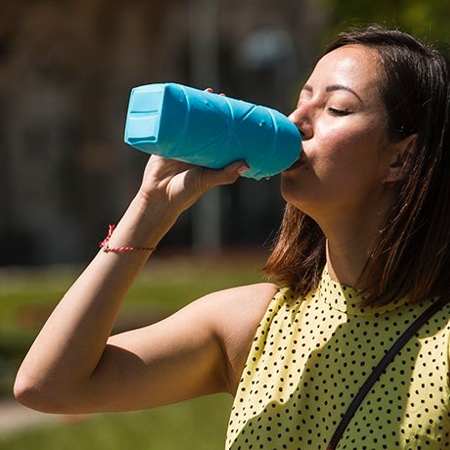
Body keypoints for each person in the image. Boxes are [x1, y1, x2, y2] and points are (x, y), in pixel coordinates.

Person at [14, 25, 450, 449]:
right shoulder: (252, 323)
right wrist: (150, 209)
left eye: (335, 109)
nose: (296, 121)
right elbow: (48, 386)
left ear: (402, 158)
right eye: (301, 101)